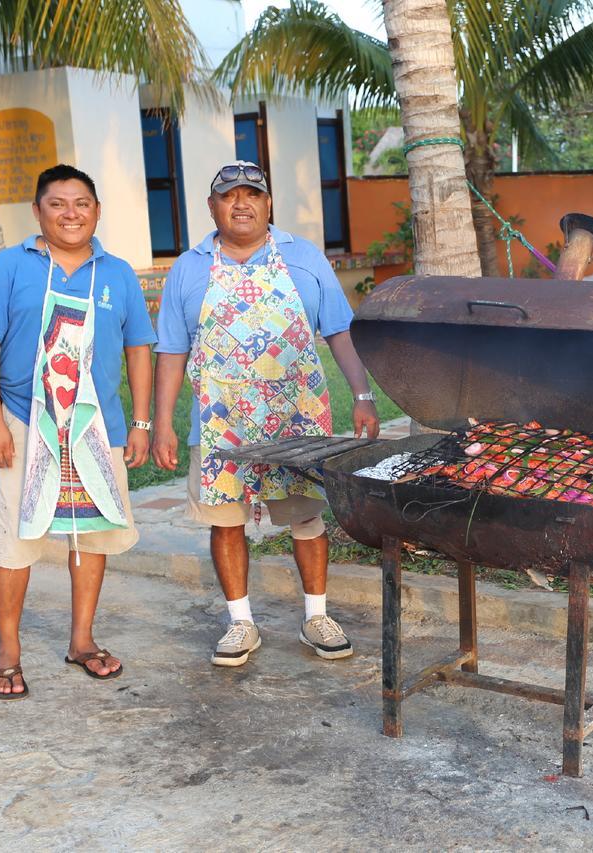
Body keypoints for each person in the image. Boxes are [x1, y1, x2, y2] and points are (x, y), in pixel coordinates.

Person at [152, 160, 379, 667]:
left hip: (295, 416)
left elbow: (339, 330)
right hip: (220, 421)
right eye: (229, 195)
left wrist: (363, 396)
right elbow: (170, 350)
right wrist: (162, 422)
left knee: (307, 516)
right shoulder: (188, 267)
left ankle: (317, 615)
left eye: (252, 194)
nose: (242, 203)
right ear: (212, 207)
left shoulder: (304, 257)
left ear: (267, 203)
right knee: (225, 521)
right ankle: (240, 623)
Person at [0, 164, 156, 700]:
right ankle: (8, 653)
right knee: (15, 539)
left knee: (92, 530)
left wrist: (140, 422)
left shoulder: (117, 273)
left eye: (81, 203)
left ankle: (82, 640)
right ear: (37, 212)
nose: (70, 213)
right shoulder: (9, 267)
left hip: (98, 428)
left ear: (96, 211)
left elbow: (138, 348)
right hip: (25, 422)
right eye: (57, 203)